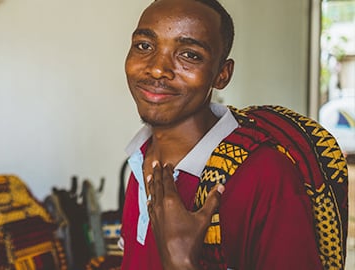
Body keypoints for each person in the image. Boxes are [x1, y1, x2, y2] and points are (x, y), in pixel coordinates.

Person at [119, 0, 324, 269]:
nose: (157, 69)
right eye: (145, 46)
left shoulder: (264, 174)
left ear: (222, 75)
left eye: (189, 55)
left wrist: (182, 262)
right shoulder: (140, 159)